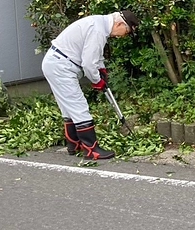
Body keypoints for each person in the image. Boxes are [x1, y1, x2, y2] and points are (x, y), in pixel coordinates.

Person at [42, 10, 139, 160]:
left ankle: (74, 144)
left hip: (55, 62)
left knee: (68, 107)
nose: (122, 36)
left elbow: (94, 55)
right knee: (79, 106)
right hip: (61, 66)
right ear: (119, 24)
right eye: (125, 32)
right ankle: (91, 149)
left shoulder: (100, 25)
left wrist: (101, 69)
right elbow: (88, 64)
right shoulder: (98, 30)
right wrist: (97, 80)